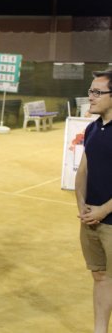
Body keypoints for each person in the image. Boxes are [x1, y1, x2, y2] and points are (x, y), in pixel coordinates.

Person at [76, 67, 112, 333]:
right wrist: (83, 207)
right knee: (100, 277)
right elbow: (82, 171)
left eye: (98, 92)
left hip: (109, 221)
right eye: (91, 91)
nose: (91, 96)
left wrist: (103, 210)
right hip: (90, 221)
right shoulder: (91, 129)